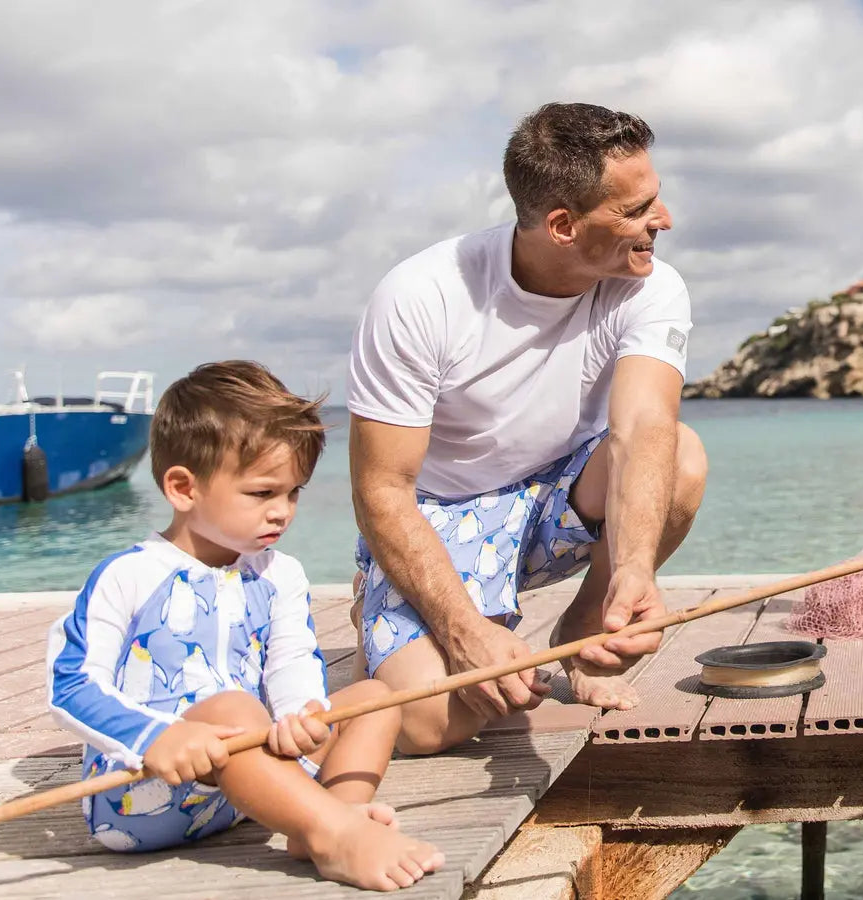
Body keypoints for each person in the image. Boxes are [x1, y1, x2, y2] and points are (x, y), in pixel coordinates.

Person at [347, 102, 708, 756]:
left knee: (682, 456)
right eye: (635, 210)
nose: (664, 220)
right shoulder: (420, 296)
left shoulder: (650, 286)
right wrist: (462, 630)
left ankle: (582, 629)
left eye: (655, 200)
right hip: (439, 517)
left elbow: (645, 430)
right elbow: (382, 491)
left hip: (554, 500)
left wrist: (632, 571)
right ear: (563, 225)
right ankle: (380, 597)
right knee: (429, 726)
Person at [46, 360, 444, 892]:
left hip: (256, 792)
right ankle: (336, 833)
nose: (283, 512)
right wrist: (157, 736)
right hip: (146, 793)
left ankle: (325, 823)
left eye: (294, 492)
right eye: (262, 493)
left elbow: (292, 660)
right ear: (184, 489)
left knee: (375, 696)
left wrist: (305, 713)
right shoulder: (129, 575)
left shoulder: (282, 575)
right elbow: (71, 685)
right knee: (234, 709)